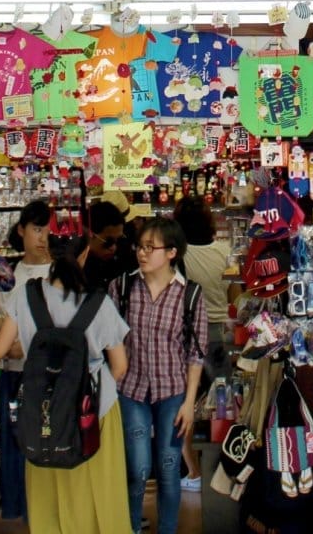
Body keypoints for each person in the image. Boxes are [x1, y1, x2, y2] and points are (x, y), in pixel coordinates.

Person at [0, 227, 130, 534]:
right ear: (85, 254)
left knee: (48, 487)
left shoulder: (25, 296)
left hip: (41, 405)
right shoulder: (100, 303)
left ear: (48, 253)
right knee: (97, 487)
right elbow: (120, 367)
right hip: (94, 411)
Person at [110, 217, 208, 534]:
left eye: (151, 247)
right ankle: (131, 527)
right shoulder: (122, 287)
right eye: (140, 246)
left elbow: (196, 353)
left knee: (168, 470)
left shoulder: (190, 295)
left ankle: (167, 529)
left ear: (172, 253)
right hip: (130, 391)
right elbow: (109, 339)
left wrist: (189, 402)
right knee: (137, 470)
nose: (142, 253)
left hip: (173, 393)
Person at [0, 200, 53, 524]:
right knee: (16, 445)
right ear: (21, 230)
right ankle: (22, 511)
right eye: (36, 229)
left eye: (46, 230)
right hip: (14, 374)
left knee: (45, 446)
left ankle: (44, 514)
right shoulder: (10, 276)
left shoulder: (58, 273)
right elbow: (3, 330)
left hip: (46, 376)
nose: (42, 236)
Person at [172, 195, 234, 488]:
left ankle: (193, 471)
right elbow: (234, 292)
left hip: (186, 335)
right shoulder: (224, 251)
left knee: (185, 403)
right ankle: (224, 468)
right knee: (223, 403)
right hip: (219, 330)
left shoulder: (177, 255)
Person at [84, 197, 137, 290]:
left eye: (119, 240)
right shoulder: (76, 266)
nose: (114, 247)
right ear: (90, 235)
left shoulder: (124, 260)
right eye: (109, 242)